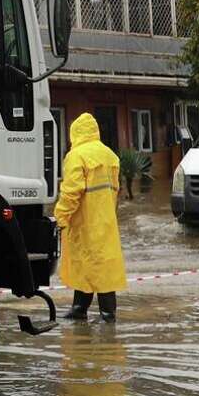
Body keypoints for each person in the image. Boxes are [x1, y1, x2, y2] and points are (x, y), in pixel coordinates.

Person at [53, 112, 126, 320]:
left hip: (84, 221)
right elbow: (116, 191)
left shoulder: (77, 156)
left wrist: (61, 216)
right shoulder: (111, 155)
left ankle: (85, 310)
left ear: (75, 133)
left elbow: (71, 192)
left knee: (84, 263)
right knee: (103, 265)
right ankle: (101, 312)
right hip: (106, 220)